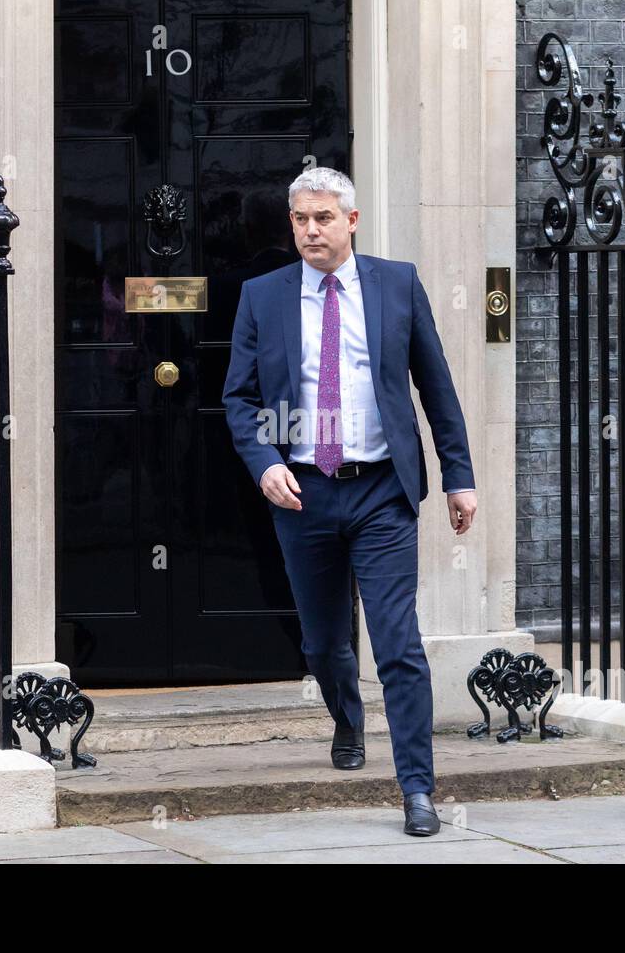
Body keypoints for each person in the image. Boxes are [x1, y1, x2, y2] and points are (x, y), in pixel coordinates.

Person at [222, 166, 476, 836]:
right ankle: (346, 717)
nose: (310, 230)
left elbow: (437, 388)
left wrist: (459, 476)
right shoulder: (262, 295)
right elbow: (240, 398)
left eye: (323, 218)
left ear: (352, 221)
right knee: (324, 642)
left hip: (382, 491)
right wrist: (265, 463)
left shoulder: (397, 285)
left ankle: (417, 788)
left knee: (398, 644)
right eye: (300, 219)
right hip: (303, 494)